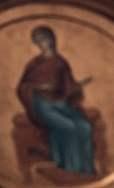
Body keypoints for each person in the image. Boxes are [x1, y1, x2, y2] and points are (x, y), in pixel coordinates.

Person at [16, 25, 97, 176]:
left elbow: (67, 88)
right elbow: (22, 87)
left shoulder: (61, 63)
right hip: (41, 105)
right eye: (38, 41)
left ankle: (86, 170)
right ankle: (71, 170)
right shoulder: (34, 64)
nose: (41, 44)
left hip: (61, 104)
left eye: (43, 40)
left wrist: (76, 87)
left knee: (84, 126)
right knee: (69, 127)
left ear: (52, 39)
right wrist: (40, 86)